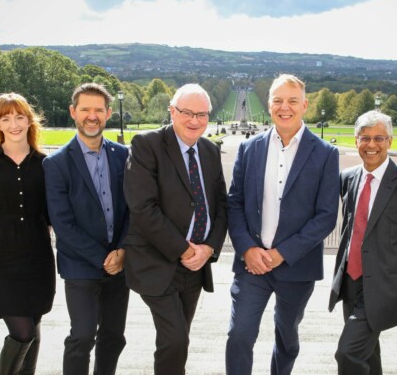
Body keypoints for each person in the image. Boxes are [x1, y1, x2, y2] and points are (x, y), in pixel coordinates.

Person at [225, 74, 340, 375]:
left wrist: (282, 254)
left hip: (296, 266)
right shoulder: (249, 149)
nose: (284, 107)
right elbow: (234, 202)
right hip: (252, 264)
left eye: (291, 101)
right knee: (239, 336)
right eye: (278, 100)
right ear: (269, 104)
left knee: (286, 337)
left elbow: (326, 216)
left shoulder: (326, 154)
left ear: (304, 105)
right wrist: (248, 249)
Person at [123, 83, 227, 375]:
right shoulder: (147, 145)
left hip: (195, 265)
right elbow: (143, 208)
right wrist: (183, 249)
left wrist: (208, 248)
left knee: (178, 340)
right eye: (187, 113)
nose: (195, 121)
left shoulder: (209, 150)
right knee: (175, 338)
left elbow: (221, 205)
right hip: (157, 261)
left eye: (202, 114)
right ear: (172, 111)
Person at [329, 110, 397, 375]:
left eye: (379, 138)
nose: (371, 145)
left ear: (390, 141)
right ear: (356, 141)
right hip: (351, 282)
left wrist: (394, 277)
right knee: (367, 352)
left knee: (348, 353)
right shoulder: (348, 178)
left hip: (382, 284)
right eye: (365, 138)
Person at [43, 83, 130, 375]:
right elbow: (62, 224)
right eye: (85, 110)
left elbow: (134, 209)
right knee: (82, 336)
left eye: (98, 110)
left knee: (114, 337)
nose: (91, 116)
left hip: (119, 264)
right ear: (73, 112)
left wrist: (122, 251)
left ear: (107, 113)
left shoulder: (123, 155)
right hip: (80, 264)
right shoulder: (55, 164)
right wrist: (103, 258)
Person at [0, 93, 56, 374]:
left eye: (20, 116)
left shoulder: (46, 164)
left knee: (35, 325)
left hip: (38, 258)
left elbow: (53, 214)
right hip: (1, 261)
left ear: (30, 121)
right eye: (6, 118)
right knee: (23, 332)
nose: (14, 124)